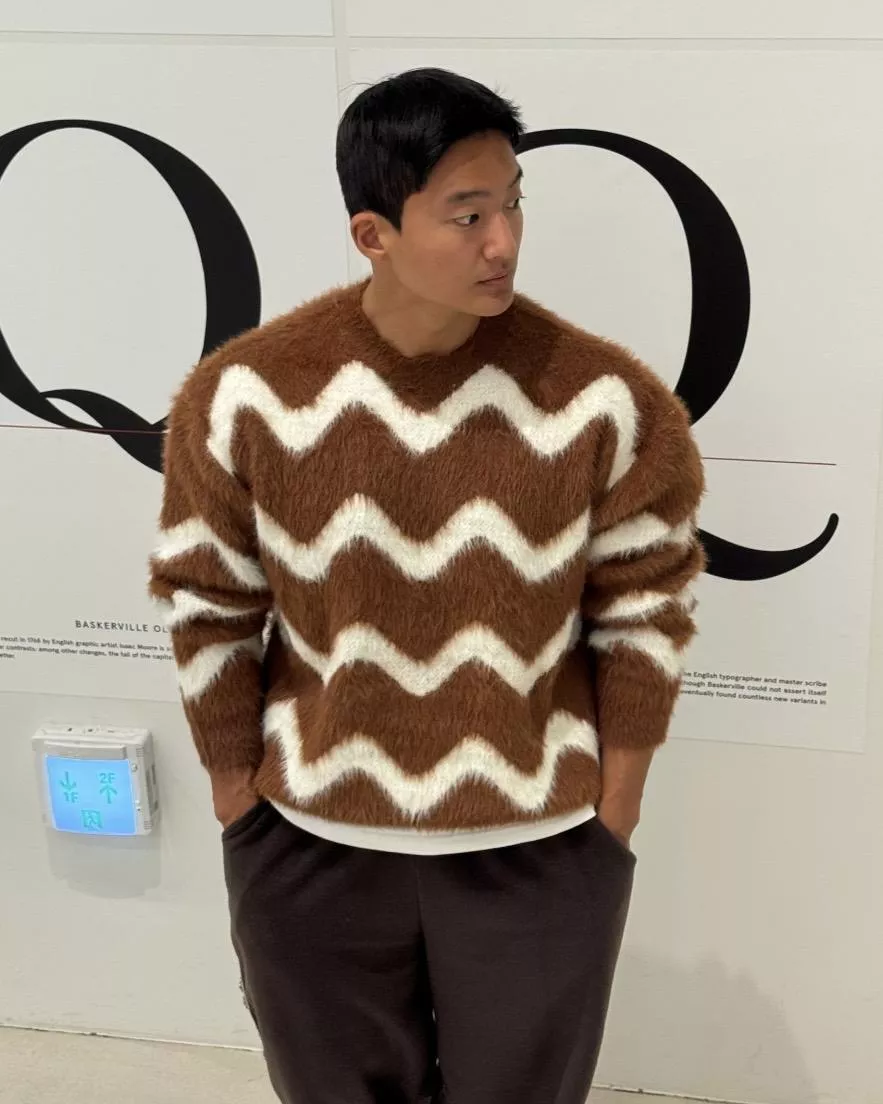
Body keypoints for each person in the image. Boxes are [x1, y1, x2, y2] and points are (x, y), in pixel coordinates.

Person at [149, 67, 705, 1104]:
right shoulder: (245, 394)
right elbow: (208, 603)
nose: (503, 241)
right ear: (374, 233)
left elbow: (646, 613)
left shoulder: (604, 400)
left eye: (513, 204)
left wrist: (612, 818)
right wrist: (238, 800)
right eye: (467, 214)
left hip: (539, 850)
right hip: (308, 846)